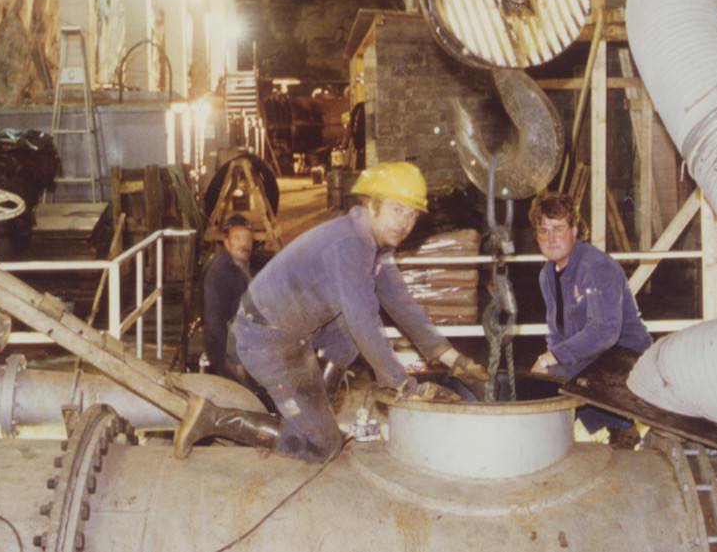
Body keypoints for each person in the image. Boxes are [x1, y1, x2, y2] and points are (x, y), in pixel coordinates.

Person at [175, 161, 490, 462]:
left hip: (292, 332)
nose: (404, 223)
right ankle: (214, 419)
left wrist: (453, 359)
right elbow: (364, 321)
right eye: (397, 210)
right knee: (324, 446)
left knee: (350, 333)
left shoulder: (374, 244)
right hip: (265, 340)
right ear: (373, 205)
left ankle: (315, 411)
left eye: (412, 214)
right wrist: (403, 384)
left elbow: (402, 303)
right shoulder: (350, 244)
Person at [528, 191, 651, 440]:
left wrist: (550, 359)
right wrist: (550, 364)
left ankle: (622, 428)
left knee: (558, 384)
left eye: (558, 229)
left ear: (574, 231)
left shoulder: (596, 267)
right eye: (543, 230)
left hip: (624, 356)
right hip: (590, 355)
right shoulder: (547, 275)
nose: (551, 238)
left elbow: (604, 332)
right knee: (540, 384)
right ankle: (555, 439)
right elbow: (556, 333)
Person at [202, 214, 256, 380]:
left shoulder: (254, 263)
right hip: (229, 349)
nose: (244, 244)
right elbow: (214, 324)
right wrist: (234, 359)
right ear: (226, 242)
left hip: (255, 339)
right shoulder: (218, 273)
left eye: (248, 239)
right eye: (238, 238)